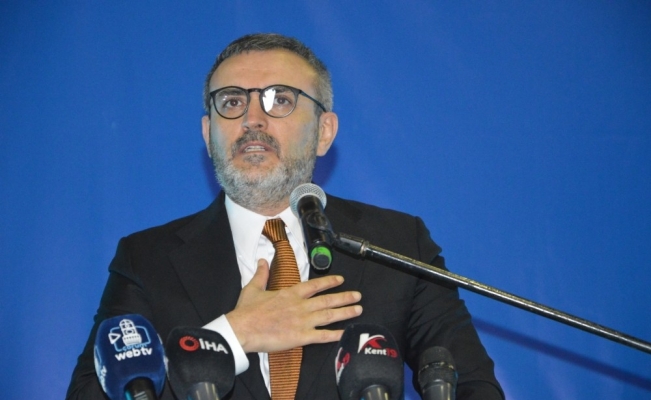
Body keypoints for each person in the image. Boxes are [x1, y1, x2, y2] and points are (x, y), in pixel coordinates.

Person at [67, 33, 504, 400]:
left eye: (280, 100)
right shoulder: (147, 259)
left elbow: (475, 387)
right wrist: (231, 337)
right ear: (208, 133)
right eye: (232, 101)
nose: (252, 119)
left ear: (324, 132)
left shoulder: (398, 245)